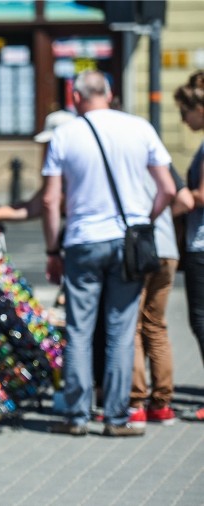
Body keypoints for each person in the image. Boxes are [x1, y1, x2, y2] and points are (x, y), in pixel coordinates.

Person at [41, 70, 175, 437]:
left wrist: (53, 249)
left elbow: (52, 199)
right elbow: (167, 189)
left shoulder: (65, 134)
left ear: (76, 97)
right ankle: (116, 417)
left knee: (79, 330)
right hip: (127, 241)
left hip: (83, 240)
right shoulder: (140, 128)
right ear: (110, 92)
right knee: (121, 330)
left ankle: (77, 415)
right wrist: (143, 220)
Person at [124, 164, 194, 427]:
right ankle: (162, 403)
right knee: (156, 325)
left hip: (139, 248)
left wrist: (147, 220)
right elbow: (185, 201)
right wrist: (162, 220)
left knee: (132, 325)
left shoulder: (126, 156)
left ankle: (136, 403)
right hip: (167, 249)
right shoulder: (160, 161)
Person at [0, 109, 75, 222]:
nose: (49, 152)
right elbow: (33, 207)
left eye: (52, 145)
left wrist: (52, 239)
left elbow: (48, 201)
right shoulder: (60, 177)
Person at [174, 69, 204, 422]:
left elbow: (201, 195)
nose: (182, 119)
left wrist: (169, 208)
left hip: (201, 243)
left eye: (185, 111)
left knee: (200, 320)